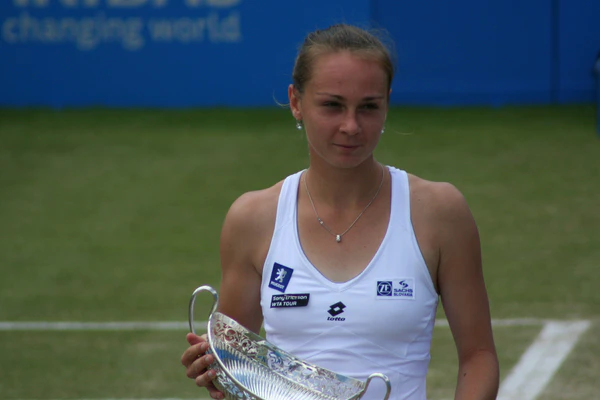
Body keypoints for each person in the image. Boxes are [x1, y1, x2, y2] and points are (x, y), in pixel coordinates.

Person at [181, 23, 499, 400]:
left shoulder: (440, 212)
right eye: (332, 105)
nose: (351, 126)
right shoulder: (252, 219)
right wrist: (217, 370)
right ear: (296, 102)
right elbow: (239, 368)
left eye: (368, 107)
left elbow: (479, 356)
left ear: (387, 104)